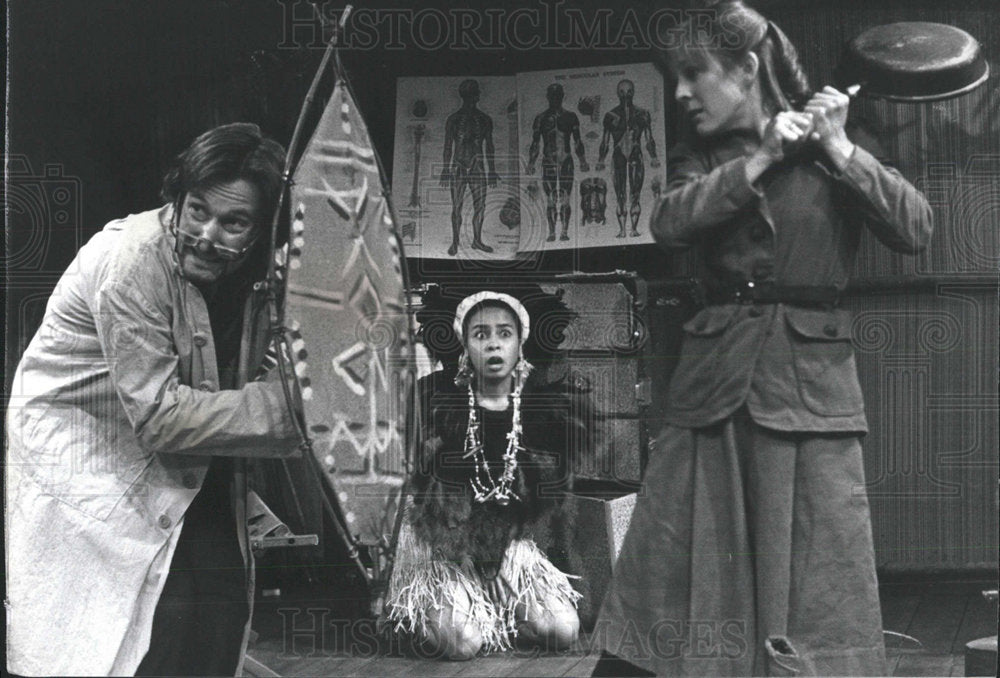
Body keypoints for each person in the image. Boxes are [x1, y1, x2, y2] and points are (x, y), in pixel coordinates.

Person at [595, 2, 933, 676]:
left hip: (810, 394)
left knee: (816, 575)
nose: (683, 94)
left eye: (695, 75)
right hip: (711, 391)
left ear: (747, 69)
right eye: (676, 78)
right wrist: (763, 159)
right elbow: (668, 223)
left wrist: (836, 148)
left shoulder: (841, 140)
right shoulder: (703, 159)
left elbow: (915, 227)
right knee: (670, 567)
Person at [5, 123, 304, 676]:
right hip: (86, 445)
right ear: (178, 198)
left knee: (222, 603)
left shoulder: (261, 270)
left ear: (262, 231)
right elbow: (163, 418)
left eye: (234, 222)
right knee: (140, 626)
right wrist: (285, 409)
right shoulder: (132, 261)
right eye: (197, 210)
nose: (207, 235)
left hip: (184, 442)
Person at [385, 291, 587, 660]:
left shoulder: (532, 404)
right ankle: (426, 617)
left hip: (505, 544)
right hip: (440, 548)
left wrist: (504, 557)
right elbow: (423, 497)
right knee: (462, 644)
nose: (494, 343)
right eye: (481, 334)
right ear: (462, 344)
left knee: (562, 630)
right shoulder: (429, 396)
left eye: (504, 334)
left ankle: (490, 613)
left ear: (519, 345)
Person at [440, 79, 501, 256]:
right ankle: (455, 242)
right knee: (457, 206)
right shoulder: (453, 119)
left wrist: (492, 171)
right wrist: (445, 169)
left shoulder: (484, 120)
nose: (478, 96)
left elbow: (489, 146)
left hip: (477, 167)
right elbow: (447, 146)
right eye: (476, 93)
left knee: (480, 206)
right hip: (458, 166)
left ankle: (477, 241)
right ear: (472, 96)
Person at [596, 79, 661, 238]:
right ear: (618, 93)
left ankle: (633, 229)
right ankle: (622, 230)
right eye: (622, 92)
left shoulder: (643, 114)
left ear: (633, 92)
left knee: (635, 193)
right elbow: (605, 140)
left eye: (629, 91)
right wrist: (601, 160)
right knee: (620, 195)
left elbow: (649, 138)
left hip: (635, 155)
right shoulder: (610, 116)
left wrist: (653, 157)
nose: (626, 95)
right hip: (618, 156)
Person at [527, 83, 589, 242]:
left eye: (558, 95)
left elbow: (577, 141)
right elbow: (535, 143)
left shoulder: (571, 117)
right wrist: (531, 163)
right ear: (548, 97)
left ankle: (565, 232)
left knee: (566, 198)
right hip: (548, 162)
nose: (555, 98)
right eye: (552, 95)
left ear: (562, 96)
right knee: (550, 199)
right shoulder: (540, 118)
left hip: (566, 161)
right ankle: (552, 232)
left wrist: (582, 161)